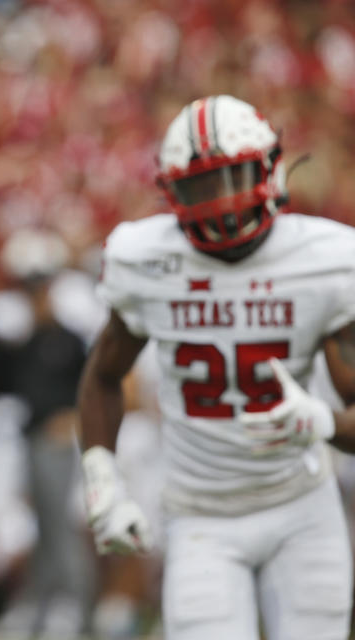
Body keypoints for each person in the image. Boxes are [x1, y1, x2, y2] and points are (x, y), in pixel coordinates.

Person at [78, 94, 355, 640]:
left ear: (269, 169)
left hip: (301, 505)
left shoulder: (326, 261)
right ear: (171, 191)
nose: (221, 204)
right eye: (201, 187)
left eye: (233, 179)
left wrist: (322, 422)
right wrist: (102, 482)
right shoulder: (146, 259)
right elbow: (104, 374)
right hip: (200, 514)